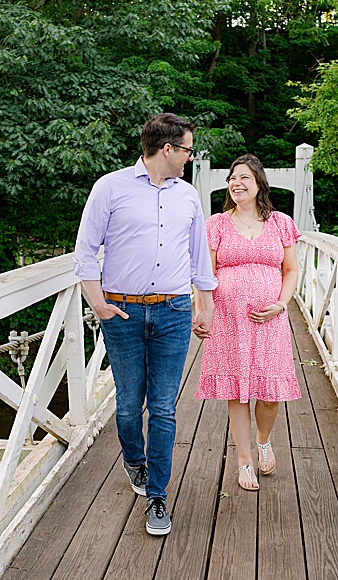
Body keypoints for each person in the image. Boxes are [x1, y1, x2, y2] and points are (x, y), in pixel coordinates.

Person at [73, 113, 217, 536]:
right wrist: (98, 303)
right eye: (188, 150)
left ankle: (158, 495)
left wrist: (204, 306)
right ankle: (134, 459)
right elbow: (85, 253)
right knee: (127, 405)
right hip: (122, 312)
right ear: (168, 149)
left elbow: (199, 258)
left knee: (164, 407)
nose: (191, 158)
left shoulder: (189, 196)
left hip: (174, 311)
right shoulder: (110, 188)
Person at [195, 153, 301, 491]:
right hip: (228, 319)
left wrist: (281, 305)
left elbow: (291, 270)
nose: (236, 183)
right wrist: (203, 311)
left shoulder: (282, 222)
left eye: (244, 178)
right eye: (232, 178)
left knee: (269, 393)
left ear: (259, 185)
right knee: (238, 391)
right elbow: (205, 275)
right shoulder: (215, 225)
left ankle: (263, 440)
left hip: (270, 318)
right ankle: (244, 461)